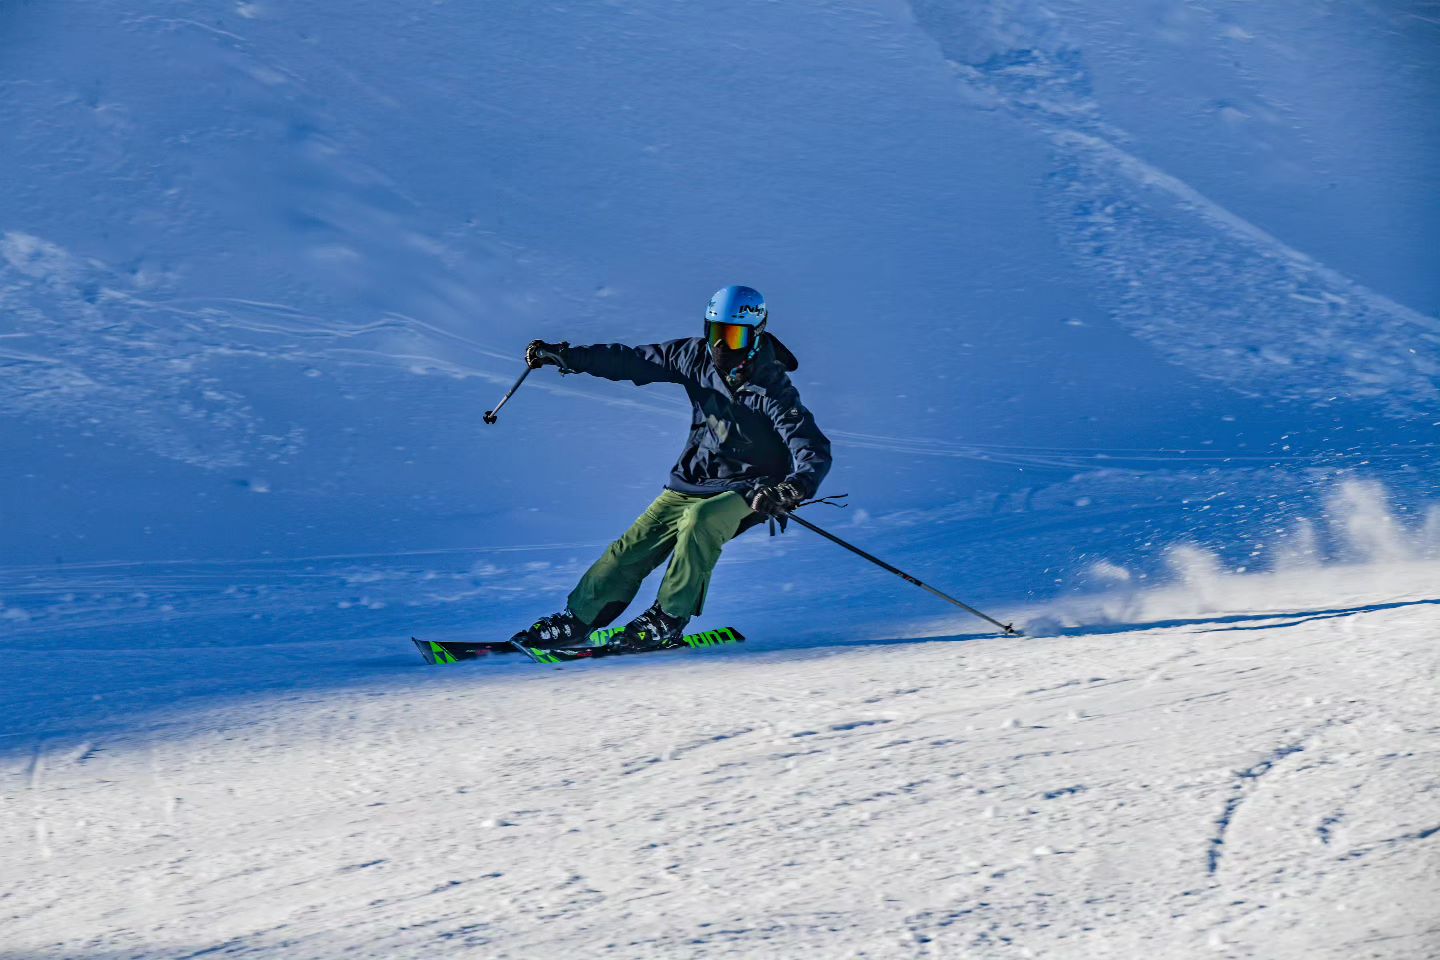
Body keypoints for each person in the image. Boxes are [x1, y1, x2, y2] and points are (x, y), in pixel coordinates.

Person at [512, 284, 832, 650]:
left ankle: (668, 617)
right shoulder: (692, 356)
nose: (722, 346)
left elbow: (811, 445)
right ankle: (579, 618)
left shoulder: (771, 384)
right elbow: (630, 360)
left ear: (755, 334)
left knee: (702, 522)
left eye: (733, 335)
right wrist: (567, 358)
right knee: (632, 547)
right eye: (715, 332)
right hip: (694, 479)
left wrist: (792, 488)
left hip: (753, 488)